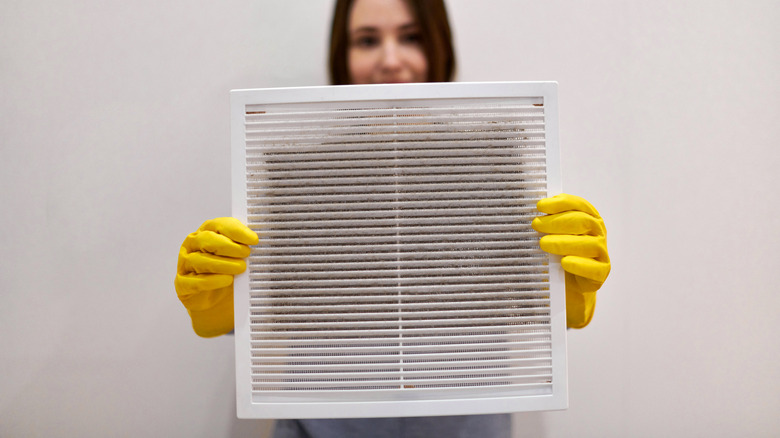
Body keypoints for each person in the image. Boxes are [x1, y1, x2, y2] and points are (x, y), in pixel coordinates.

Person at [174, 0, 611, 436]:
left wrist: (557, 291)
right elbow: (271, 302)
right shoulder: (301, 175)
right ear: (341, 56)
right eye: (367, 40)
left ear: (440, 46)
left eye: (411, 36)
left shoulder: (490, 167)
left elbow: (520, 294)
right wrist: (226, 301)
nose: (390, 60)